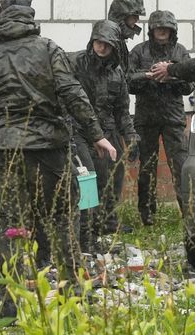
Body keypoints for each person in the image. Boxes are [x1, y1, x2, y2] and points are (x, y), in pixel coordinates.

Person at [0, 2, 115, 292]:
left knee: (7, 226)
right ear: (31, 21)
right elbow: (72, 93)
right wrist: (97, 135)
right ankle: (73, 292)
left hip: (3, 151)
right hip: (50, 151)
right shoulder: (48, 49)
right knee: (62, 220)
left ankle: (9, 303)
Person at [70, 20, 139, 243]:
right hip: (79, 130)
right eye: (98, 43)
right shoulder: (75, 63)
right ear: (92, 42)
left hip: (107, 131)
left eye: (106, 45)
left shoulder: (116, 72)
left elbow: (122, 108)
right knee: (87, 177)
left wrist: (130, 136)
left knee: (114, 175)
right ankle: (85, 230)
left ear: (114, 47)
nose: (101, 48)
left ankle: (107, 221)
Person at [128, 11, 195, 225]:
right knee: (147, 165)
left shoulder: (180, 51)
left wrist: (170, 76)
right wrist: (149, 75)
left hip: (173, 117)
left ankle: (188, 212)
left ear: (172, 30)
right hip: (145, 117)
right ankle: (146, 213)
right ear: (151, 30)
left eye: (166, 28)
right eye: (158, 28)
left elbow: (190, 84)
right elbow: (127, 81)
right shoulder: (139, 51)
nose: (162, 31)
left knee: (180, 164)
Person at [107, 0, 146, 73]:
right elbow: (118, 77)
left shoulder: (118, 38)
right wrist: (146, 75)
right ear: (122, 16)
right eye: (134, 16)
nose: (137, 19)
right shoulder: (111, 40)